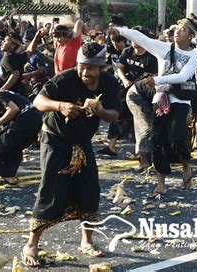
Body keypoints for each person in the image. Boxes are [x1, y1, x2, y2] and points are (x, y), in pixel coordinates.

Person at [22, 42, 121, 266]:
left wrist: (100, 110)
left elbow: (114, 116)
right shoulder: (65, 79)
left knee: (89, 189)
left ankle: (86, 241)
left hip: (82, 142)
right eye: (81, 66)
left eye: (91, 68)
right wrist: (60, 106)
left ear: (102, 67)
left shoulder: (109, 82)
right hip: (55, 139)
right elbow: (38, 101)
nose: (85, 72)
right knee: (51, 188)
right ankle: (32, 244)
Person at [110, 18, 197, 197]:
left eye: (182, 30)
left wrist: (157, 80)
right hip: (161, 98)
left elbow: (183, 76)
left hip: (180, 101)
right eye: (176, 29)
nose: (177, 32)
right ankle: (160, 185)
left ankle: (186, 166)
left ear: (190, 35)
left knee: (176, 137)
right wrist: (120, 31)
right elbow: (142, 38)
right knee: (157, 140)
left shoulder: (194, 56)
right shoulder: (164, 48)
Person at [99, 27, 158, 158]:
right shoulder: (127, 51)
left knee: (141, 121)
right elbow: (120, 68)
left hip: (143, 94)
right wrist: (124, 79)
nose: (133, 41)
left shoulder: (151, 56)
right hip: (126, 89)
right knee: (116, 115)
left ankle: (142, 152)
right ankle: (111, 146)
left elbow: (154, 76)